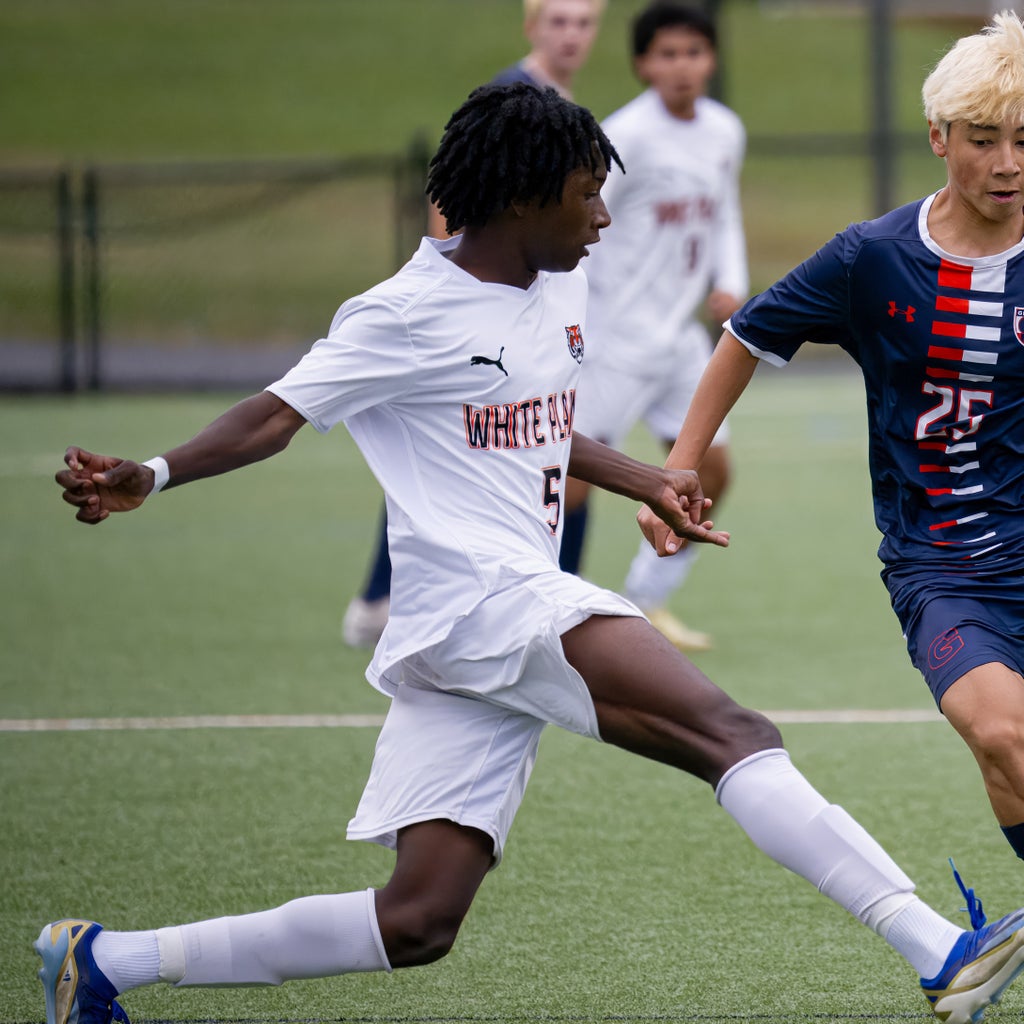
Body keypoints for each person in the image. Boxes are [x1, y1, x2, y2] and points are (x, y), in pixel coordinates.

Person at [42, 84, 1024, 1024]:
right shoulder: (402, 314)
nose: (602, 215)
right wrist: (154, 473)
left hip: (466, 633)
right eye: (586, 193)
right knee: (730, 731)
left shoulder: (558, 283)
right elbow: (271, 417)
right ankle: (936, 949)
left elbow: (534, 420)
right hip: (486, 600)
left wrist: (647, 478)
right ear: (519, 198)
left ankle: (102, 959)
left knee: (417, 919)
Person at [638, 11, 1024, 865]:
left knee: (1011, 764)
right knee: (1005, 734)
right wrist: (679, 466)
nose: (1007, 164)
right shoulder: (875, 259)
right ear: (938, 137)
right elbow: (744, 334)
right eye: (983, 139)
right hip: (943, 564)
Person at [343, 0, 606, 649]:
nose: (571, 34)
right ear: (531, 25)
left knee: (477, 445)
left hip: (539, 310)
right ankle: (532, 600)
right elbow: (452, 191)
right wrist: (465, 284)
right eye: (559, 21)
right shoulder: (513, 97)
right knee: (462, 446)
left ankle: (390, 597)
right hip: (497, 317)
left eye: (584, 22)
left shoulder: (561, 105)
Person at [564, 1, 749, 653]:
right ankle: (553, 604)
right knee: (571, 479)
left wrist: (733, 281)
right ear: (643, 63)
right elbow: (575, 220)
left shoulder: (725, 130)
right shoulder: (623, 137)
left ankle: (646, 599)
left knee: (713, 473)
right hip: (614, 341)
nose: (681, 66)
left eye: (693, 53)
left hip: (681, 344)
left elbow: (724, 213)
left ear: (712, 60)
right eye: (666, 54)